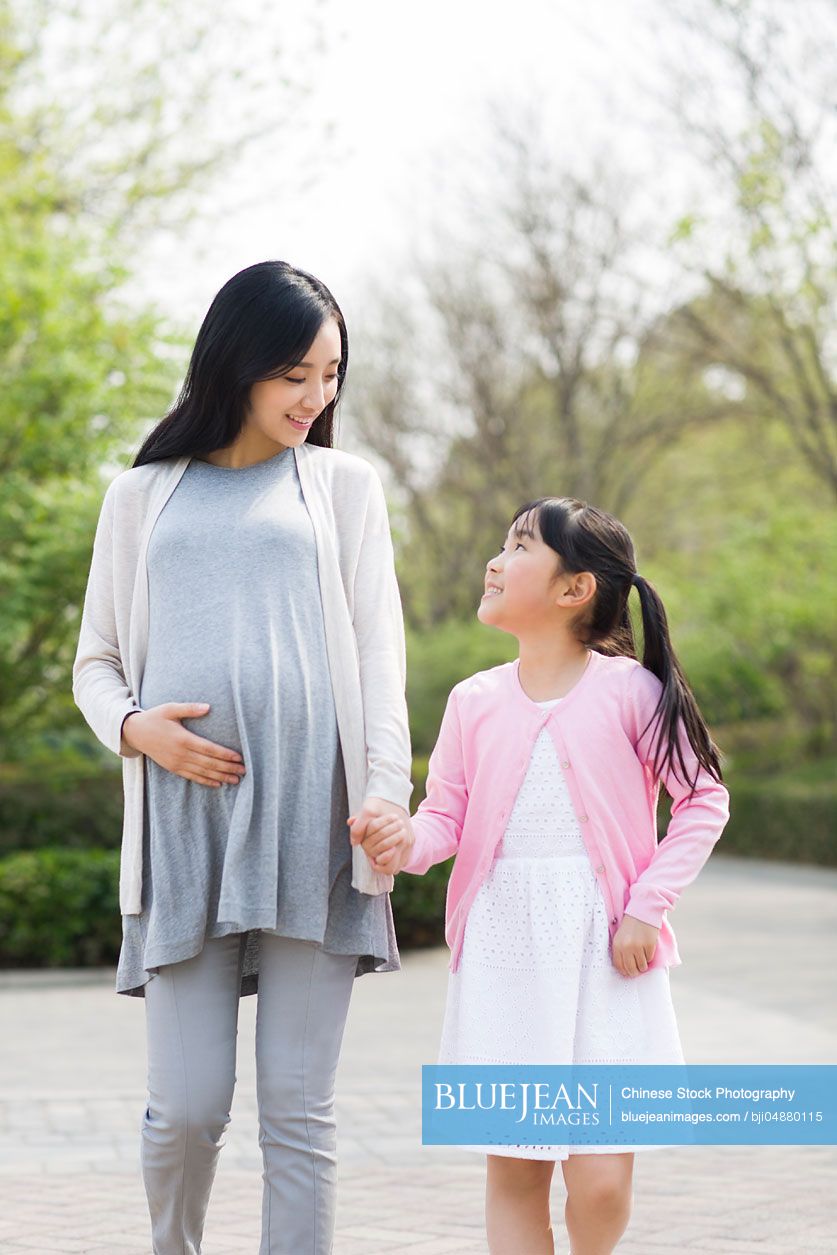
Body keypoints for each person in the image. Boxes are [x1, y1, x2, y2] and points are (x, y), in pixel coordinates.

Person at [71, 259, 413, 1255]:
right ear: (237, 363)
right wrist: (138, 729)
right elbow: (96, 661)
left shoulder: (344, 488)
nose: (317, 396)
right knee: (186, 1108)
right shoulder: (143, 495)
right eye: (294, 374)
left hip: (318, 823)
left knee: (300, 1115)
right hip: (186, 832)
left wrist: (385, 802)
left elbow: (379, 660)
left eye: (331, 373)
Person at [349, 496, 731, 1255]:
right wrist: (400, 840)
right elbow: (444, 822)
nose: (495, 560)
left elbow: (702, 799)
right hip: (504, 953)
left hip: (606, 952)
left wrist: (645, 908)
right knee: (517, 1173)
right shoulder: (473, 700)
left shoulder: (631, 690)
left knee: (598, 1180)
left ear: (572, 588)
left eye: (518, 547)